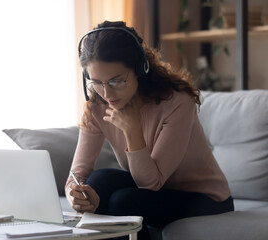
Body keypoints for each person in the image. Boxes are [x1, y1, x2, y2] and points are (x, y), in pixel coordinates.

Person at [65, 21, 234, 239]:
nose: (106, 93)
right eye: (96, 82)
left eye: (117, 81)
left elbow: (150, 184)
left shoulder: (176, 103)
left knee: (124, 201)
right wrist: (74, 194)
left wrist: (132, 130)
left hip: (203, 198)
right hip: (151, 190)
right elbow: (76, 175)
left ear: (139, 69)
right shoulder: (97, 107)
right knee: (98, 182)